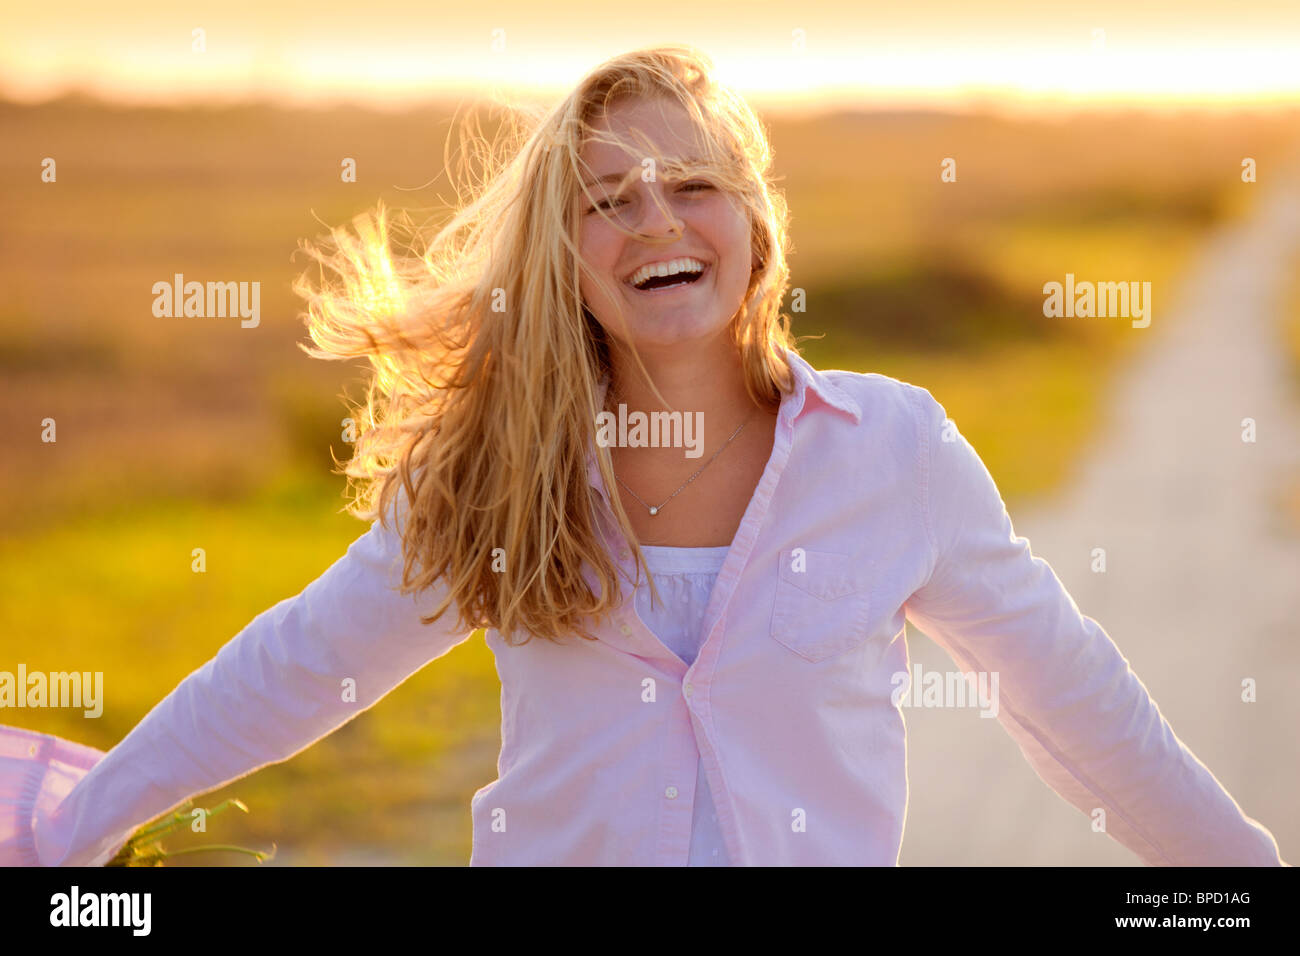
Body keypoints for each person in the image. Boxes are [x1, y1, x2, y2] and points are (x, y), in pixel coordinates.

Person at [0, 46, 1286, 867]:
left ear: (757, 223)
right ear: (563, 258)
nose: (653, 221)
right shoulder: (494, 476)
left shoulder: (893, 452)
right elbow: (306, 661)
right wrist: (81, 818)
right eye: (604, 200)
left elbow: (1068, 696)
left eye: (692, 185)